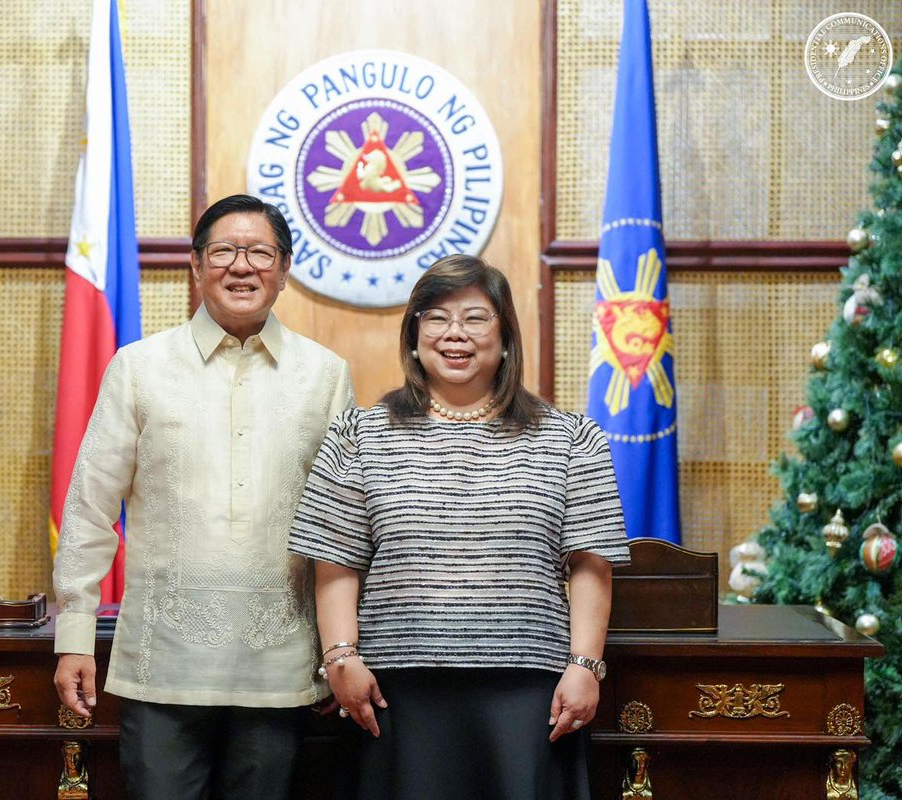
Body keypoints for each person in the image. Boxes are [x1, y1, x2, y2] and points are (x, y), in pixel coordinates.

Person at [289, 254, 630, 799]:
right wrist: (340, 659)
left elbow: (591, 565)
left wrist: (586, 665)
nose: (455, 334)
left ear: (506, 336)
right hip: (396, 693)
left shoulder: (572, 438)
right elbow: (335, 561)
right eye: (436, 317)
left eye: (475, 318)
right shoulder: (359, 433)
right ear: (414, 334)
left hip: (529, 694)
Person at [52, 193, 354, 800]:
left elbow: (342, 528)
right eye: (224, 251)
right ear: (196, 265)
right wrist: (75, 637)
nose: (241, 266)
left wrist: (337, 653)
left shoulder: (325, 376)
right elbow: (89, 508)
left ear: (285, 270)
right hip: (162, 665)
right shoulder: (138, 367)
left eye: (261, 253)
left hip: (280, 667)